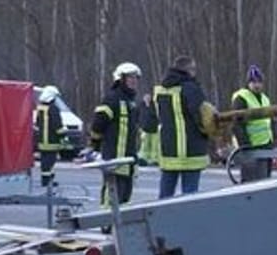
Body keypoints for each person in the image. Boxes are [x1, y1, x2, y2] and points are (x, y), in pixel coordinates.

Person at [153, 55, 219, 198]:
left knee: (165, 194)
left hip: (168, 149)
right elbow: (201, 117)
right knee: (189, 197)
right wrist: (210, 132)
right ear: (188, 70)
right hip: (190, 149)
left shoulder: (161, 90)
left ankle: (161, 219)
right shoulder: (191, 88)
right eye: (193, 69)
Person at [89, 63, 149, 207]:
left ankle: (119, 227)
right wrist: (95, 146)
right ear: (120, 79)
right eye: (130, 77)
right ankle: (106, 223)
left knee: (124, 198)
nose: (134, 81)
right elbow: (98, 125)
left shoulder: (131, 102)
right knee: (111, 196)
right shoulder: (112, 99)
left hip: (128, 159)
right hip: (114, 159)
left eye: (136, 78)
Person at [230, 64, 274, 182]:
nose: (257, 85)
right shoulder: (241, 98)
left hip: (266, 143)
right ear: (248, 83)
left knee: (265, 180)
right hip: (250, 145)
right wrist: (244, 145)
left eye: (259, 82)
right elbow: (237, 124)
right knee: (250, 182)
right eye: (253, 82)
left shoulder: (265, 98)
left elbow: (270, 121)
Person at [33, 86, 68, 189]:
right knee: (50, 161)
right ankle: (47, 181)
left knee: (45, 161)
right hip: (52, 141)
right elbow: (58, 125)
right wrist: (63, 136)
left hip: (42, 141)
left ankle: (48, 180)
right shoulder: (53, 109)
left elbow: (38, 124)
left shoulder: (41, 108)